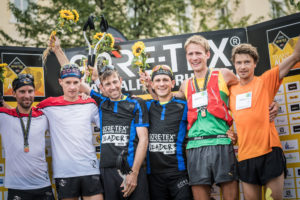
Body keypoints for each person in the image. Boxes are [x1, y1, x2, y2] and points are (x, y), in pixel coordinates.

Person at [51, 36, 150, 200]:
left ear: (121, 80)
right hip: (107, 171)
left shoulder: (136, 103)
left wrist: (134, 172)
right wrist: (57, 51)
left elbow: (144, 140)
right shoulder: (102, 102)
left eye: (115, 82)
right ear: (102, 88)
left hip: (132, 169)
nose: (113, 87)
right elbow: (73, 77)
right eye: (108, 84)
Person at [229, 38, 300, 200]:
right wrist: (229, 133)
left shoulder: (266, 81)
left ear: (255, 64)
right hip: (246, 156)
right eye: (239, 62)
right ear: (234, 65)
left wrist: (275, 104)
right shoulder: (230, 90)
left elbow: (296, 56)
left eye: (247, 62)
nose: (243, 66)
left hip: (269, 152)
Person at [36, 62, 104, 199]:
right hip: (64, 172)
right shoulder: (47, 105)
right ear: (60, 82)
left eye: (75, 82)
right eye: (68, 82)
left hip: (89, 169)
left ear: (81, 82)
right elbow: (23, 116)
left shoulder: (90, 103)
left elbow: (109, 116)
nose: (72, 87)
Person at [0, 74, 54, 200]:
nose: (27, 95)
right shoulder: (4, 116)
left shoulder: (44, 115)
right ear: (14, 93)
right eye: (22, 91)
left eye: (30, 91)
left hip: (42, 184)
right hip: (17, 186)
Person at [146, 64, 193, 200]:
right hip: (154, 174)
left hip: (178, 172)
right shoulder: (146, 106)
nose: (162, 84)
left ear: (172, 83)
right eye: (158, 80)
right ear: (153, 85)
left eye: (165, 80)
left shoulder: (185, 106)